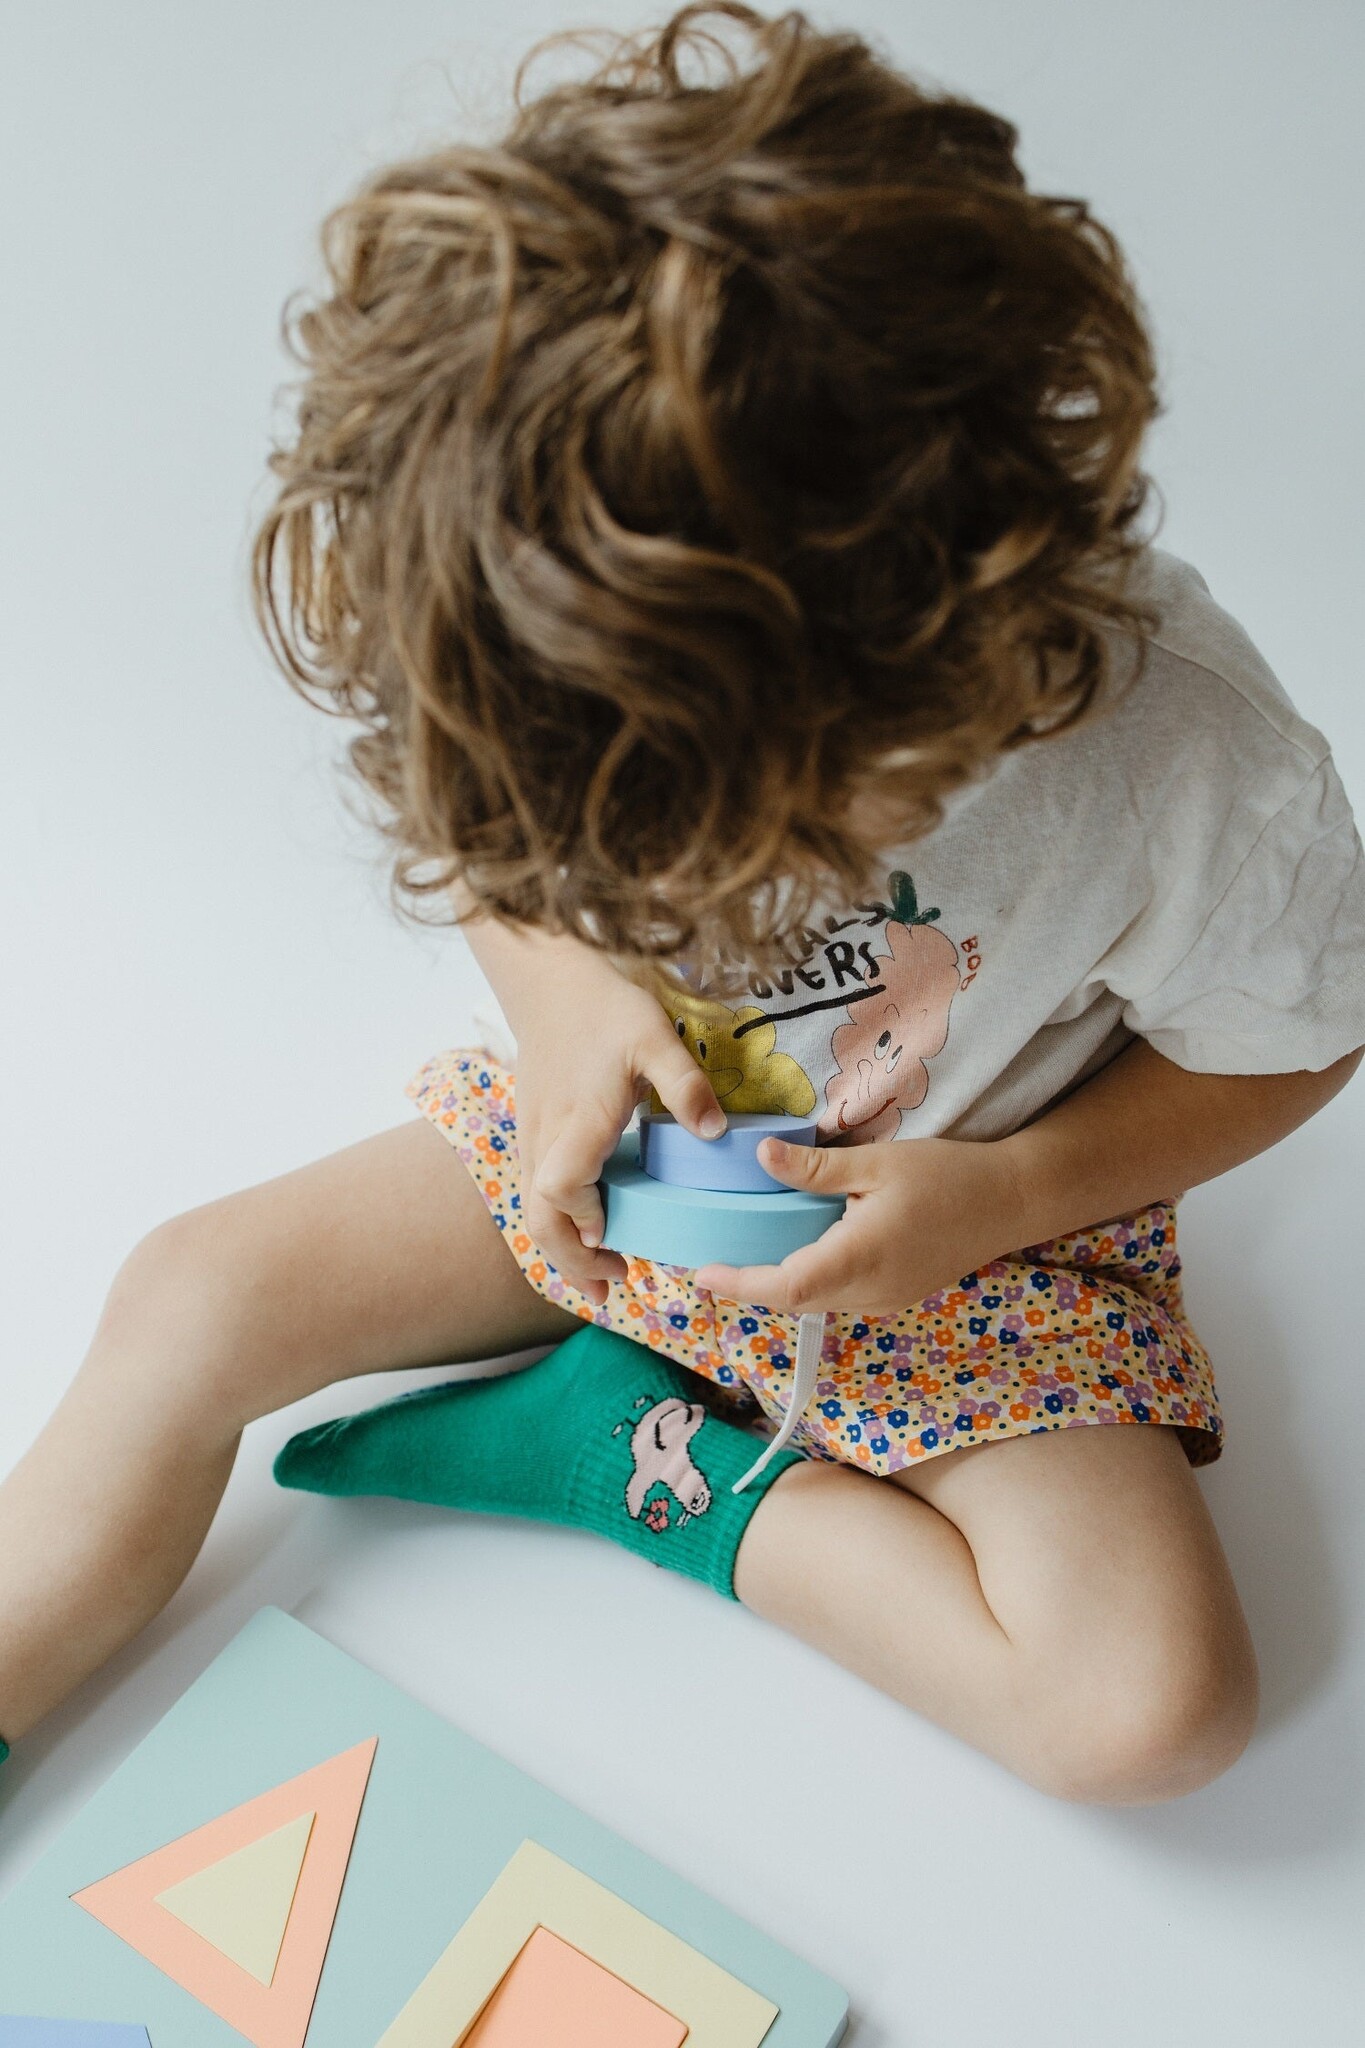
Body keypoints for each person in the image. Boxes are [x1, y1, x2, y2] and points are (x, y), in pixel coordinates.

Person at [2, 3, 1362, 1807]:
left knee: (1146, 1713)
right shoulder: (533, 620)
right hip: (634, 1158)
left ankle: (620, 1446)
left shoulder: (1180, 755)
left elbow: (1297, 1038)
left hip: (970, 1224)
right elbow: (489, 857)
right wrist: (563, 1000)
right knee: (189, 1298)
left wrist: (1006, 1194)